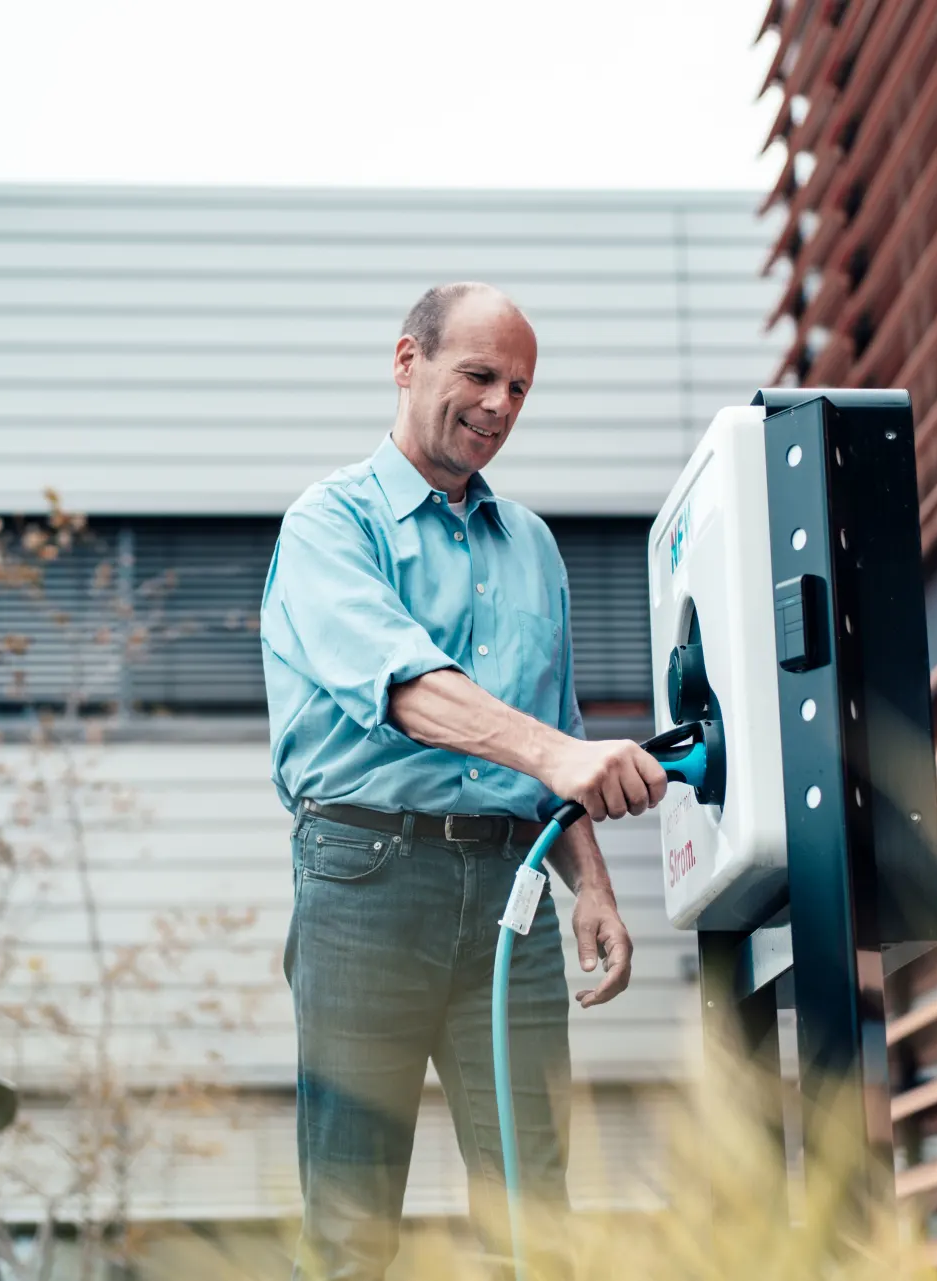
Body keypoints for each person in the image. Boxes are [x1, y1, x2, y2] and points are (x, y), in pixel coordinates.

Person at [260, 281, 670, 1280]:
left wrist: (595, 888)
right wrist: (559, 759)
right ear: (408, 362)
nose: (499, 406)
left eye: (520, 388)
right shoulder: (331, 524)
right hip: (365, 881)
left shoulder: (531, 546)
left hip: (509, 899)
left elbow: (552, 727)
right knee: (354, 1221)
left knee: (534, 1212)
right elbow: (405, 687)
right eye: (478, 376)